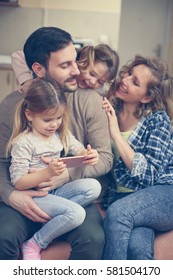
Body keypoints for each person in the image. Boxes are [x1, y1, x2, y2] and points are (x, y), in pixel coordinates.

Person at [0, 26, 113, 260]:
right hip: (26, 193)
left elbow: (104, 157)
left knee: (93, 238)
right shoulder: (13, 104)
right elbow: (1, 161)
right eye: (65, 66)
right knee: (4, 236)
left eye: (76, 61)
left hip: (69, 192)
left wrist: (67, 175)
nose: (77, 72)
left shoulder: (90, 100)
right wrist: (11, 195)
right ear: (39, 69)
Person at [6, 78, 101, 260]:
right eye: (48, 120)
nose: (54, 124)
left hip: (55, 192)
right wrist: (47, 173)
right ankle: (34, 243)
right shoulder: (24, 143)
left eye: (58, 118)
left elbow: (77, 147)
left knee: (93, 186)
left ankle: (57, 216)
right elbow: (18, 182)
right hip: (36, 197)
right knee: (77, 214)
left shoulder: (59, 134)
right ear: (29, 114)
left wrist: (87, 154)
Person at [102, 54, 173, 260]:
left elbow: (149, 175)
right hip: (124, 196)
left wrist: (116, 133)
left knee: (118, 214)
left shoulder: (158, 121)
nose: (124, 80)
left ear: (147, 97)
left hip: (163, 193)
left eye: (135, 82)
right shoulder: (110, 107)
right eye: (129, 74)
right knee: (137, 249)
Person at [11, 43, 119, 96]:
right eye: (92, 73)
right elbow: (18, 56)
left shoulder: (92, 91)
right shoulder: (66, 59)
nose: (93, 82)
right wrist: (26, 80)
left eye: (100, 81)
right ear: (83, 60)